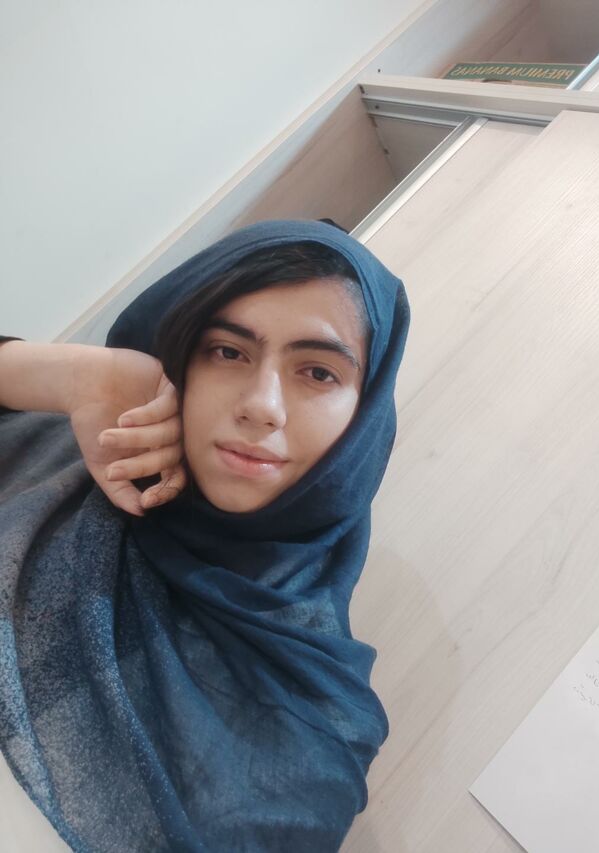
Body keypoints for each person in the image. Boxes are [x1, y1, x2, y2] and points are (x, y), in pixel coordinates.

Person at [0, 218, 410, 852]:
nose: (262, 404)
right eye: (227, 352)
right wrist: (71, 376)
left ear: (366, 416)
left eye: (318, 372)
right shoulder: (65, 452)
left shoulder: (306, 742)